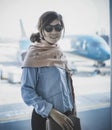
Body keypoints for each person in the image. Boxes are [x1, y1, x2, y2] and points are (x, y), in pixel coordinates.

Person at [21, 11, 77, 130]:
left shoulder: (59, 52)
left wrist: (72, 110)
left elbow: (67, 88)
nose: (54, 32)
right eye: (49, 28)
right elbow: (27, 91)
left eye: (58, 27)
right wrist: (51, 112)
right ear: (41, 30)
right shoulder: (33, 54)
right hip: (45, 118)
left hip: (66, 116)